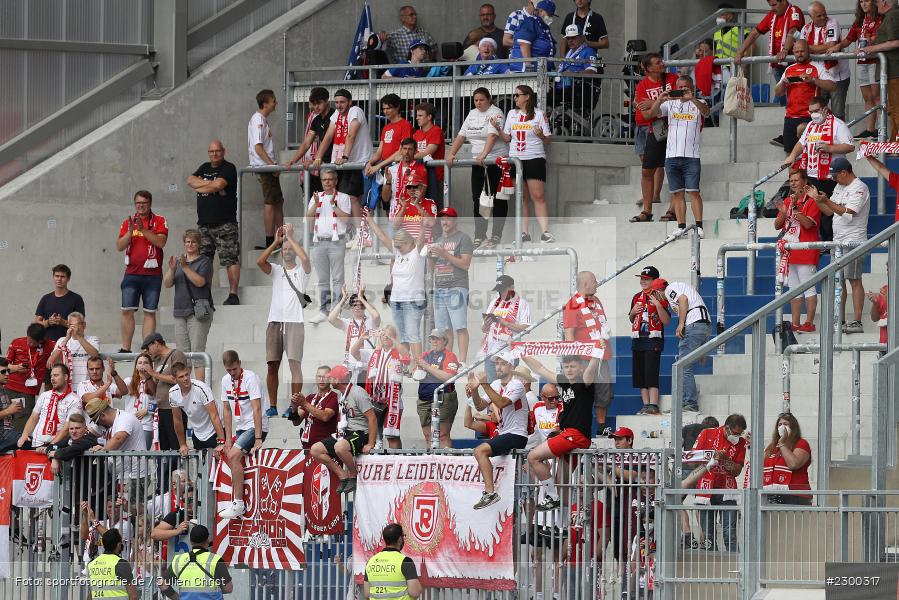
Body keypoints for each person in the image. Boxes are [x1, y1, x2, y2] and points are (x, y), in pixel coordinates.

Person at [521, 352, 601, 510]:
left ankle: (552, 497)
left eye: (573, 366)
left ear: (580, 368)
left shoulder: (584, 382)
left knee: (533, 456)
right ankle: (570, 520)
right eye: (566, 367)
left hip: (575, 435)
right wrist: (522, 354)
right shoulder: (564, 382)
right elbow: (540, 368)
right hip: (570, 435)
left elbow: (591, 369)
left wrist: (597, 353)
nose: (569, 369)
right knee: (561, 483)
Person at [642, 75, 710, 238]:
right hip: (671, 156)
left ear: (691, 88)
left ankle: (699, 226)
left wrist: (692, 98)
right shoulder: (669, 104)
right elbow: (652, 114)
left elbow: (706, 112)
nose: (681, 90)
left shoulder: (700, 102)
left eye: (685, 87)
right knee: (677, 193)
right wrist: (660, 98)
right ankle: (681, 226)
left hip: (691, 156)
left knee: (693, 192)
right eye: (679, 87)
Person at [256, 224, 311, 416]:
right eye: (284, 249)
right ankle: (272, 406)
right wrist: (276, 242)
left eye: (290, 249)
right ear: (280, 253)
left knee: (295, 364)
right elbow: (260, 261)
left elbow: (305, 259)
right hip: (275, 321)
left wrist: (291, 238)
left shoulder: (302, 272)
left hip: (295, 321)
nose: (287, 251)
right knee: (272, 364)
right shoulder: (277, 270)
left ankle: (294, 406)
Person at [813, 157, 871, 334]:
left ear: (844, 173)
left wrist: (827, 201)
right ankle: (841, 319)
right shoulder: (839, 186)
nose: (833, 179)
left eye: (835, 176)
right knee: (839, 281)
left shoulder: (860, 187)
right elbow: (829, 211)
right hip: (838, 240)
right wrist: (816, 199)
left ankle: (857, 321)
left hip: (853, 240)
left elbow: (848, 213)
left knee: (854, 279)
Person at [735, 0, 805, 141]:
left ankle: (795, 135)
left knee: (796, 100)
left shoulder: (794, 11)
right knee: (786, 102)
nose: (772, 8)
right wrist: (740, 52)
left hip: (793, 63)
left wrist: (785, 50)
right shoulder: (772, 15)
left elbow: (793, 31)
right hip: (778, 64)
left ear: (783, 1)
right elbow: (755, 33)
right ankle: (790, 135)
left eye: (774, 5)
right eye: (770, 5)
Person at [447, 87, 509, 248]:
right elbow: (461, 135)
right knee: (477, 198)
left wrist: (484, 154)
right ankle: (480, 235)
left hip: (495, 161)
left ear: (489, 99)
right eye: (476, 100)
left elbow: (492, 135)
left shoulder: (496, 112)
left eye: (482, 100)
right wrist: (451, 153)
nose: (478, 103)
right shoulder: (472, 113)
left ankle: (496, 235)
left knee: (498, 199)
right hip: (478, 163)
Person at [468, 351, 530, 509]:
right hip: (506, 433)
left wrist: (484, 385)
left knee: (479, 451)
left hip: (517, 434)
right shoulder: (496, 384)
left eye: (503, 364)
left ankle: (490, 492)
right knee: (481, 452)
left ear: (512, 367)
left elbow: (502, 403)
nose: (499, 367)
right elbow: (480, 406)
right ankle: (492, 493)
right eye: (497, 363)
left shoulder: (516, 384)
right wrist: (474, 391)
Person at [494, 85, 553, 242]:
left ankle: (545, 232)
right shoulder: (511, 114)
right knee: (521, 198)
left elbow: (548, 140)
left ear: (527, 96)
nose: (515, 98)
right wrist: (497, 129)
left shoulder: (539, 114)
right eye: (514, 95)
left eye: (517, 95)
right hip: (516, 160)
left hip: (534, 158)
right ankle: (524, 233)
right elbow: (507, 138)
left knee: (538, 196)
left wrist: (541, 135)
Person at [367, 213, 428, 359]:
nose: (398, 249)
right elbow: (382, 236)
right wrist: (370, 220)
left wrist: (423, 225)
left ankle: (419, 365)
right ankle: (405, 363)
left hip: (413, 301)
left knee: (412, 334)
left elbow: (421, 240)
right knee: (402, 335)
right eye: (397, 246)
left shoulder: (417, 252)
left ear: (409, 243)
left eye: (401, 246)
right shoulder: (398, 252)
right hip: (396, 300)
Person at [781, 96, 854, 217]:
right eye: (811, 112)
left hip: (832, 177)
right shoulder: (811, 125)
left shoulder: (838, 124)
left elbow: (850, 146)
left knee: (831, 213)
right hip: (813, 177)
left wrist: (829, 148)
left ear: (825, 109)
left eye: (816, 111)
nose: (813, 114)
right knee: (816, 213)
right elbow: (802, 143)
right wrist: (792, 155)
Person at [309, 365, 378, 494]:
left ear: (338, 380)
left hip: (360, 433)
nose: (329, 381)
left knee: (339, 447)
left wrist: (370, 443)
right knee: (315, 449)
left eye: (331, 378)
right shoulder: (341, 394)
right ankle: (343, 475)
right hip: (346, 433)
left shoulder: (358, 392)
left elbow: (372, 418)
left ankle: (353, 474)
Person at [188, 139, 241, 306]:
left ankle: (233, 294)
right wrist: (212, 186)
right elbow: (190, 181)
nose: (214, 154)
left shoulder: (229, 168)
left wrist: (206, 186)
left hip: (225, 223)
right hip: (204, 224)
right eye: (211, 151)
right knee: (204, 261)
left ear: (223, 151)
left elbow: (219, 185)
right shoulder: (204, 167)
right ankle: (205, 295)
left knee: (230, 259)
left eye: (217, 151)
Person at [218, 350, 269, 519]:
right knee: (226, 453)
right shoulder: (225, 381)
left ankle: (238, 503)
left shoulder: (250, 378)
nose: (232, 373)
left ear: (240, 363)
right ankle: (235, 498)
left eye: (234, 369)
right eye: (229, 370)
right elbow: (226, 410)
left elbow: (257, 408)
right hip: (241, 426)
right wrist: (227, 439)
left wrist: (258, 438)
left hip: (256, 426)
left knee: (233, 456)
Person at [117, 190, 168, 353]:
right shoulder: (128, 222)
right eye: (138, 203)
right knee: (127, 310)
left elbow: (161, 242)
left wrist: (143, 230)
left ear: (150, 204)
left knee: (149, 312)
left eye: (144, 203)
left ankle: (147, 350)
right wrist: (131, 231)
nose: (140, 206)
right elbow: (119, 246)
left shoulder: (159, 220)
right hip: (131, 273)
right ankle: (126, 349)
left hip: (152, 275)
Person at [630, 53, 679, 224]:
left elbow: (680, 100)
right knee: (647, 170)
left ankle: (672, 209)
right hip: (655, 129)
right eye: (658, 63)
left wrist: (653, 103)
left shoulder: (673, 78)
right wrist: (660, 103)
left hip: (676, 128)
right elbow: (646, 114)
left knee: (673, 168)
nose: (662, 64)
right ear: (649, 68)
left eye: (661, 61)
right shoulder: (642, 85)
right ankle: (647, 211)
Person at [563, 271, 613, 432]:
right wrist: (573, 359)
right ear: (585, 284)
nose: (597, 283)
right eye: (594, 281)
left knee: (604, 391)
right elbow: (569, 334)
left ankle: (601, 427)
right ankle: (578, 428)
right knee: (582, 394)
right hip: (583, 357)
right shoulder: (572, 304)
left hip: (601, 355)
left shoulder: (596, 301)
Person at [313, 89, 373, 222]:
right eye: (336, 102)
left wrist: (345, 157)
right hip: (345, 164)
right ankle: (349, 230)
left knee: (353, 197)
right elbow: (328, 136)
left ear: (350, 102)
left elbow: (351, 135)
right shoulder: (336, 114)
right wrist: (318, 157)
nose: (339, 105)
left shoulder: (355, 111)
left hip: (359, 163)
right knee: (343, 197)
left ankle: (359, 231)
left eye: (342, 102)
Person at [774, 169, 822, 333]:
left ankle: (808, 322)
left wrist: (794, 208)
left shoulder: (812, 200)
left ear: (805, 181)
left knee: (808, 288)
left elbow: (808, 224)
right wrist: (783, 212)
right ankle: (795, 323)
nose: (793, 183)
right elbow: (777, 225)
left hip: (806, 250)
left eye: (796, 180)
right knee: (794, 289)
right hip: (790, 250)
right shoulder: (788, 200)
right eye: (791, 180)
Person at [691, 414, 748, 552]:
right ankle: (710, 564)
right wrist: (712, 459)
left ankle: (735, 562)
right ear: (726, 428)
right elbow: (692, 462)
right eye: (735, 433)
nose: (737, 436)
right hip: (706, 488)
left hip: (727, 491)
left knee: (730, 534)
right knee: (708, 536)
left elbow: (737, 471)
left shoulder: (741, 443)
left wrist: (725, 460)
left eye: (740, 434)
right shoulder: (707, 433)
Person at [163, 229, 214, 381]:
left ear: (199, 244)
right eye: (187, 242)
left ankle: (200, 388)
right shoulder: (180, 261)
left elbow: (200, 282)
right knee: (182, 355)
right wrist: (172, 269)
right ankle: (185, 387)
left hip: (198, 311)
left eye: (193, 242)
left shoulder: (204, 261)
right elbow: (167, 283)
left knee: (197, 353)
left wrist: (185, 267)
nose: (190, 245)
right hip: (180, 310)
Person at [829, 0, 883, 138]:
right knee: (867, 97)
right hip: (861, 62)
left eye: (867, 1)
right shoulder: (859, 20)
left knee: (877, 97)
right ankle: (870, 130)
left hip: (875, 60)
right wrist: (837, 46)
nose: (863, 4)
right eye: (861, 1)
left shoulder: (880, 18)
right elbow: (849, 39)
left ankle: (882, 130)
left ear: (874, 2)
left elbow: (879, 38)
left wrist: (868, 42)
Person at [772, 39, 837, 153]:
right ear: (793, 52)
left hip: (811, 117)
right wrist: (783, 83)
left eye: (802, 51)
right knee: (790, 154)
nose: (799, 54)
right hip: (790, 118)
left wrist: (813, 80)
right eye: (796, 52)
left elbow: (833, 86)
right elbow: (778, 93)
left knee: (812, 152)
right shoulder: (789, 69)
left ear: (808, 51)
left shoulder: (817, 67)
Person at [352, 325, 410, 450]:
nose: (385, 337)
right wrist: (361, 338)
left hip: (393, 400)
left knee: (392, 435)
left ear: (394, 337)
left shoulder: (398, 353)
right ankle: (376, 455)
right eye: (383, 334)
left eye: (389, 335)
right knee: (375, 432)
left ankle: (396, 458)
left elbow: (407, 356)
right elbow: (354, 352)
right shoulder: (373, 353)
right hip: (374, 398)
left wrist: (393, 339)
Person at [306, 168, 352, 324]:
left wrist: (333, 205)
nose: (327, 182)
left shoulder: (343, 197)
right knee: (323, 279)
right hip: (319, 241)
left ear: (336, 181)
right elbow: (308, 217)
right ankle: (324, 311)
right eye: (324, 179)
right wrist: (316, 203)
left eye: (330, 179)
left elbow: (346, 219)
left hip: (337, 241)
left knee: (338, 278)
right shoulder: (316, 197)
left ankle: (337, 310)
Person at [658, 278, 711, 412]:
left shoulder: (670, 289)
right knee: (683, 365)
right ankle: (683, 403)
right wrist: (703, 346)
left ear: (658, 291)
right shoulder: (681, 286)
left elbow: (683, 300)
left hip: (693, 324)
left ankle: (689, 403)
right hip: (703, 324)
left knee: (683, 366)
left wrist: (681, 324)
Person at [428, 207, 474, 361]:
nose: (444, 222)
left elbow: (465, 264)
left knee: (460, 327)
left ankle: (462, 362)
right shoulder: (438, 240)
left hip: (457, 286)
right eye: (442, 219)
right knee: (444, 330)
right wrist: (430, 256)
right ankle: (447, 362)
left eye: (448, 219)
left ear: (455, 221)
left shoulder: (464, 238)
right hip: (439, 288)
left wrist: (444, 254)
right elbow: (433, 268)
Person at [629, 266, 670, 415]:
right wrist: (632, 312)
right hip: (638, 340)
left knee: (651, 372)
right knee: (640, 375)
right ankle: (645, 405)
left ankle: (653, 404)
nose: (643, 281)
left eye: (646, 279)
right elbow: (632, 319)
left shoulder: (660, 296)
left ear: (655, 281)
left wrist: (657, 305)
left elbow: (666, 321)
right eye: (642, 278)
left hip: (653, 340)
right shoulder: (636, 297)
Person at [800, 1, 851, 120]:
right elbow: (801, 49)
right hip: (819, 76)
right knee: (818, 113)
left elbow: (830, 45)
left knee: (838, 114)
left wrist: (807, 47)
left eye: (824, 14)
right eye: (819, 16)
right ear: (811, 16)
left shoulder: (832, 22)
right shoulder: (806, 29)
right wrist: (808, 48)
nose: (823, 17)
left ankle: (839, 132)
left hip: (837, 76)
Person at [856, 0, 899, 140]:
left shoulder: (893, 15)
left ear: (884, 2)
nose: (875, 4)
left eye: (876, 1)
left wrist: (871, 48)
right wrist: (872, 43)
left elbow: (895, 42)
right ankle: (894, 143)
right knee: (893, 109)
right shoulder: (890, 16)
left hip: (895, 71)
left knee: (896, 109)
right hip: (892, 71)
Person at [84, 397, 149, 485]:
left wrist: (102, 450)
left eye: (97, 421)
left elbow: (119, 438)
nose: (97, 424)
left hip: (135, 476)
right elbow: (88, 435)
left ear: (103, 415)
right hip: (121, 475)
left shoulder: (124, 418)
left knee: (132, 495)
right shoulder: (106, 423)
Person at [141, 333, 187, 457]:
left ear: (156, 343)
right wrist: (148, 377)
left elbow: (177, 379)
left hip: (175, 409)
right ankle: (167, 469)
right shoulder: (157, 361)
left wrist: (153, 373)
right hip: (162, 409)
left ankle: (178, 469)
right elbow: (155, 389)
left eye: (148, 348)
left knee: (176, 446)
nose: (148, 352)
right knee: (165, 448)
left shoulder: (176, 355)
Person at [248, 89, 283, 250]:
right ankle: (271, 242)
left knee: (278, 201)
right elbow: (258, 147)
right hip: (264, 167)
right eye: (273, 100)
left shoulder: (262, 119)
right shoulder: (258, 120)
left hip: (266, 166)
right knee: (271, 202)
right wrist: (271, 165)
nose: (275, 103)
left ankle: (280, 238)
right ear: (265, 103)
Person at [479, 275, 531, 382]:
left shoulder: (522, 304)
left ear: (512, 288)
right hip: (491, 352)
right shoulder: (494, 302)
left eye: (503, 290)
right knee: (492, 387)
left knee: (509, 386)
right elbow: (483, 328)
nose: (501, 293)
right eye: (499, 290)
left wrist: (505, 323)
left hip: (509, 353)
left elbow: (526, 328)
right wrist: (486, 324)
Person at [159, 524, 232, 600]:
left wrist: (177, 598)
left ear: (190, 541)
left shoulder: (179, 560)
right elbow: (229, 588)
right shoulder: (215, 560)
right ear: (207, 540)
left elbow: (162, 583)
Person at [168, 362, 226, 456]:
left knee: (218, 462)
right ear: (175, 379)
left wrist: (222, 442)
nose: (186, 378)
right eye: (181, 377)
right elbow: (177, 420)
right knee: (201, 464)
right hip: (198, 433)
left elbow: (214, 415)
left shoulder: (201, 388)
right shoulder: (173, 393)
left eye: (187, 374)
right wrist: (182, 444)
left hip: (215, 431)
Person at [415, 328, 460, 449]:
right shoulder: (425, 355)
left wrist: (427, 367)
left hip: (444, 398)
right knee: (428, 436)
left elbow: (448, 377)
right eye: (432, 339)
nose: (434, 341)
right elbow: (416, 374)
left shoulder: (450, 355)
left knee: (442, 435)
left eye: (437, 339)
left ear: (445, 341)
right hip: (424, 398)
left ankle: (445, 460)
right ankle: (431, 459)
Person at [327, 286, 382, 384]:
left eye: (360, 304)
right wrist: (343, 300)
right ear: (351, 307)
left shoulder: (371, 322)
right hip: (351, 367)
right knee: (350, 393)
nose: (357, 307)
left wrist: (362, 298)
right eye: (354, 304)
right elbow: (331, 319)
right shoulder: (347, 323)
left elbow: (376, 315)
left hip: (367, 367)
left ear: (364, 306)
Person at [17, 364, 79, 450]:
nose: (52, 378)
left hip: (57, 447)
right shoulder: (44, 395)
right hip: (36, 443)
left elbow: (67, 427)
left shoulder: (75, 400)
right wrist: (24, 435)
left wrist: (51, 446)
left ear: (65, 377)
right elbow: (33, 418)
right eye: (51, 376)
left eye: (56, 375)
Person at [285, 86, 334, 193]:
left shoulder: (335, 116)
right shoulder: (316, 120)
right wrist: (294, 160)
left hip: (334, 162)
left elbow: (328, 138)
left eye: (319, 103)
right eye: (314, 104)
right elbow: (306, 143)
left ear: (327, 101)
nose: (316, 107)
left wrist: (316, 158)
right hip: (323, 163)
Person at [5, 323, 54, 430]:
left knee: (22, 421)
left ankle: (18, 440)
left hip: (28, 391)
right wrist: (16, 368)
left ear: (41, 340)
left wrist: (53, 356)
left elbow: (62, 345)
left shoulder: (48, 345)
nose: (29, 342)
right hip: (9, 387)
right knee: (6, 418)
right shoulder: (16, 342)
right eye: (28, 339)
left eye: (32, 342)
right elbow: (4, 366)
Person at [763, 412, 812, 505]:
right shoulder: (772, 446)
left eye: (786, 424)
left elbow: (793, 464)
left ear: (793, 427)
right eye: (780, 424)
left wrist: (782, 444)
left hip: (796, 495)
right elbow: (760, 464)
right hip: (772, 494)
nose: (782, 427)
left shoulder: (801, 443)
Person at [364, 524, 422, 600]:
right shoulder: (405, 561)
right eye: (403, 536)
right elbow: (415, 592)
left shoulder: (371, 561)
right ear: (400, 539)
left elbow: (366, 594)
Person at [287, 365, 339, 449]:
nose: (321, 380)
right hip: (306, 446)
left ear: (330, 379)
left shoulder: (334, 397)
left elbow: (325, 416)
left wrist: (305, 403)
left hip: (324, 449)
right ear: (316, 378)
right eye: (319, 377)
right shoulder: (309, 397)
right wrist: (294, 408)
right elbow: (296, 422)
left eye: (325, 377)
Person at [364, 94, 413, 176]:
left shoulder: (405, 125)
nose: (385, 111)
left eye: (388, 108)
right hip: (385, 166)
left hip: (398, 166)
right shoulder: (386, 127)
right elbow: (379, 152)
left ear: (397, 107)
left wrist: (379, 165)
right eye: (384, 109)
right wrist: (369, 163)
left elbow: (402, 151)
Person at [34, 264, 86, 342]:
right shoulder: (45, 298)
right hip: (47, 344)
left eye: (62, 277)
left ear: (68, 279)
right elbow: (36, 324)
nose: (59, 279)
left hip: (70, 343)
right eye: (57, 276)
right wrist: (48, 322)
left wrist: (63, 322)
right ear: (53, 277)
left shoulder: (76, 299)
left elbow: (80, 326)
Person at [48, 312, 99, 387]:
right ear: (68, 326)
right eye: (72, 325)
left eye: (78, 324)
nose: (76, 328)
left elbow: (95, 355)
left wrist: (79, 337)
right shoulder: (62, 340)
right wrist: (66, 339)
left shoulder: (92, 339)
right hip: (67, 387)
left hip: (87, 386)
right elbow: (51, 362)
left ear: (84, 325)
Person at [382, 138, 427, 221]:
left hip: (412, 215)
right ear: (401, 150)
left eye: (410, 149)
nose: (406, 152)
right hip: (394, 213)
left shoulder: (421, 169)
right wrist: (388, 182)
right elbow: (385, 198)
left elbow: (422, 195)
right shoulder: (391, 170)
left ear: (415, 151)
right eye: (405, 149)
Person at [88, 529, 138, 600]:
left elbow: (91, 594)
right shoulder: (121, 563)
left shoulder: (92, 564)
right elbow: (133, 596)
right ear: (118, 545)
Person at [509, 0, 558, 73]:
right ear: (540, 11)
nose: (551, 17)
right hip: (525, 72)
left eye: (552, 15)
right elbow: (524, 43)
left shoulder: (543, 26)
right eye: (550, 14)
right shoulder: (531, 22)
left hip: (540, 72)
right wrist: (529, 67)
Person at [412, 102, 446, 206]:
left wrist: (409, 156)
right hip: (419, 177)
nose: (417, 118)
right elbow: (412, 151)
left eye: (420, 115)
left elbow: (427, 153)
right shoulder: (416, 134)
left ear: (429, 117)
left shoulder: (436, 131)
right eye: (417, 115)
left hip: (435, 177)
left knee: (434, 207)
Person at [122, 352, 156, 448]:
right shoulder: (129, 381)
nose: (142, 365)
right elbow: (119, 391)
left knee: (143, 453)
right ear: (136, 366)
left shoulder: (155, 382)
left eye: (146, 363)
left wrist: (147, 410)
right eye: (140, 363)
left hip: (146, 424)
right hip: (129, 424)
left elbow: (160, 401)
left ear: (151, 366)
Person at [713, 4, 741, 88]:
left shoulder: (739, 30)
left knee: (732, 91)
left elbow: (752, 46)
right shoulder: (716, 32)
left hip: (733, 66)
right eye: (717, 15)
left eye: (721, 14)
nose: (718, 17)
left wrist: (744, 65)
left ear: (730, 16)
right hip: (718, 67)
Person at [0, 359, 24, 452]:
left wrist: (13, 411)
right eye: (3, 372)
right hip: (3, 436)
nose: (7, 374)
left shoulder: (4, 390)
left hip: (8, 433)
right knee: (34, 442)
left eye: (8, 371)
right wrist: (9, 411)